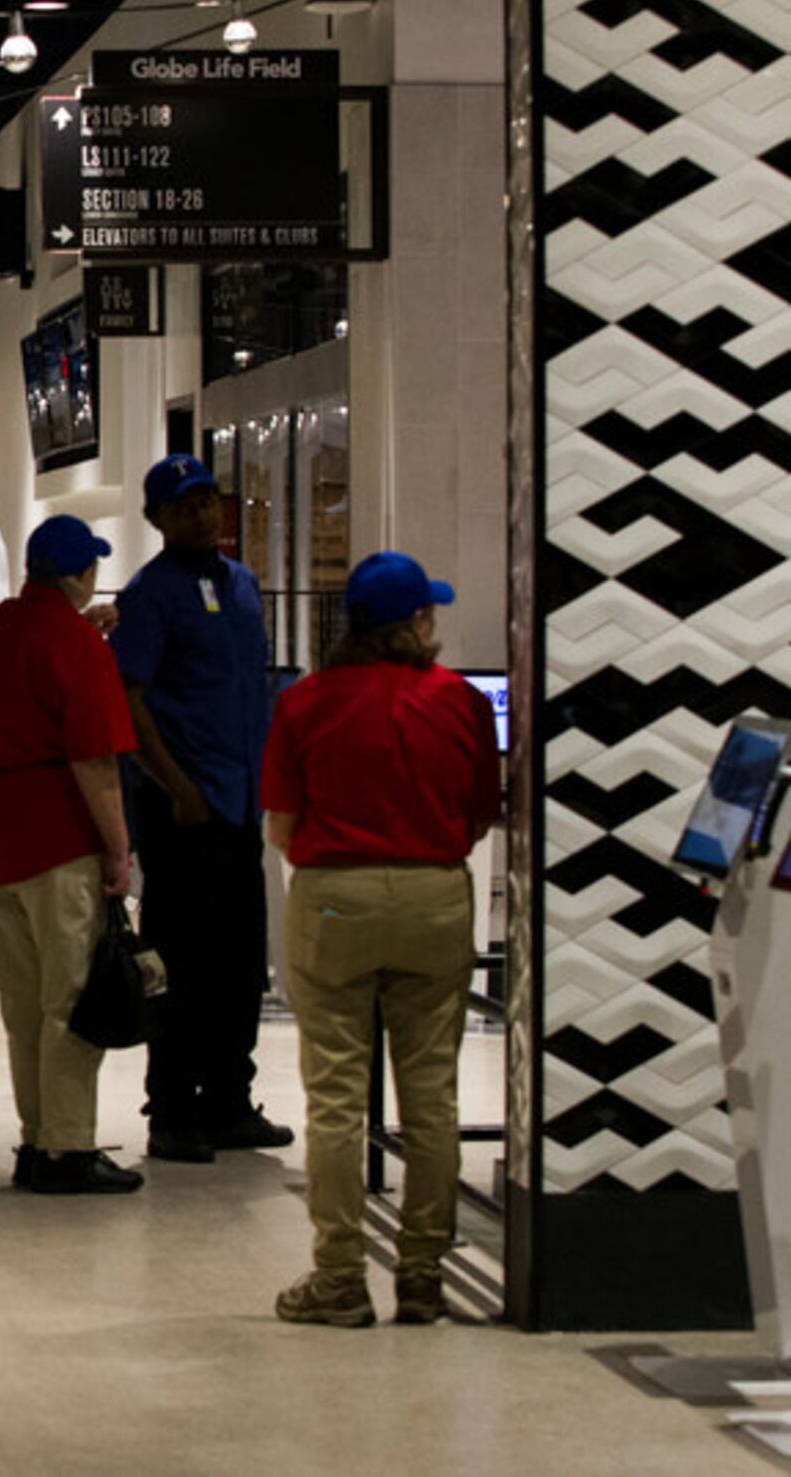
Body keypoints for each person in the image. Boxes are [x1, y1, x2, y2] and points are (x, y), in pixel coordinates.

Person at [261, 553, 500, 1327]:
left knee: (334, 1096)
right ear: (417, 624)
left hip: (336, 896)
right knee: (431, 1095)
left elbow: (282, 827)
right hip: (435, 896)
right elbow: (479, 816)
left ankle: (338, 1278)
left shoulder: (306, 703)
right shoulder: (462, 702)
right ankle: (424, 1273)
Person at [110, 455, 294, 1165]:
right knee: (181, 962)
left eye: (209, 500)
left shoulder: (242, 584)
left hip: (241, 803)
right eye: (184, 505)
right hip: (184, 811)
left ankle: (228, 1100)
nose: (202, 514)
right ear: (157, 519)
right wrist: (174, 784)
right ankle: (173, 1108)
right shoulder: (152, 595)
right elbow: (131, 701)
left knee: (242, 960)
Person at [0, 515, 142, 1195]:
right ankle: (69, 1148)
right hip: (59, 836)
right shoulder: (79, 644)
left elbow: (31, 668)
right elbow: (95, 761)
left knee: (22, 1003)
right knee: (69, 999)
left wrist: (81, 630)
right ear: (81, 575)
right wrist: (119, 851)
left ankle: (36, 1139)